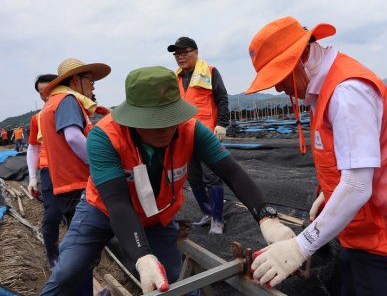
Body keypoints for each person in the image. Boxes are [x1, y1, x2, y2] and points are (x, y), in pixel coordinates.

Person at [40, 66, 295, 294]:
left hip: (157, 215)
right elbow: (117, 202)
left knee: (175, 281)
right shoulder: (104, 137)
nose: (165, 130)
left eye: (170, 119)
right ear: (133, 119)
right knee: (67, 273)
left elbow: (231, 171)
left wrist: (265, 216)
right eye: (154, 123)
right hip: (103, 211)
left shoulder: (191, 130)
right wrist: (141, 256)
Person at [245, 16, 387, 294]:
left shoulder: (345, 93)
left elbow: (358, 185)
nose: (279, 88)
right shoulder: (326, 88)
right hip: (364, 236)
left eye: (280, 77)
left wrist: (300, 246)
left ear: (300, 57)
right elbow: (354, 163)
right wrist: (330, 193)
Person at [39, 58, 110, 296]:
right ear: (76, 80)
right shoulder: (68, 100)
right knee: (84, 251)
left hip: (65, 184)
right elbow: (73, 137)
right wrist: (102, 162)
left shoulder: (52, 102)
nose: (93, 86)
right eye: (90, 80)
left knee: (80, 250)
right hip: (78, 184)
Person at [167, 37, 230, 235]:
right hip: (184, 135)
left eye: (184, 52)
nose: (180, 57)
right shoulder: (175, 79)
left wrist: (222, 123)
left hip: (206, 135)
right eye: (176, 54)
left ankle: (218, 220)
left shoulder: (210, 72)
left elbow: (222, 98)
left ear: (196, 52)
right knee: (193, 177)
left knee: (211, 176)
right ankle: (207, 212)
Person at [26, 73, 62, 268]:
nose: (46, 96)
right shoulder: (38, 118)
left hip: (74, 170)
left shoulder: (74, 108)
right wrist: (32, 177)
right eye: (42, 93)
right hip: (49, 169)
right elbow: (33, 147)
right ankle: (53, 257)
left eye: (49, 90)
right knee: (52, 215)